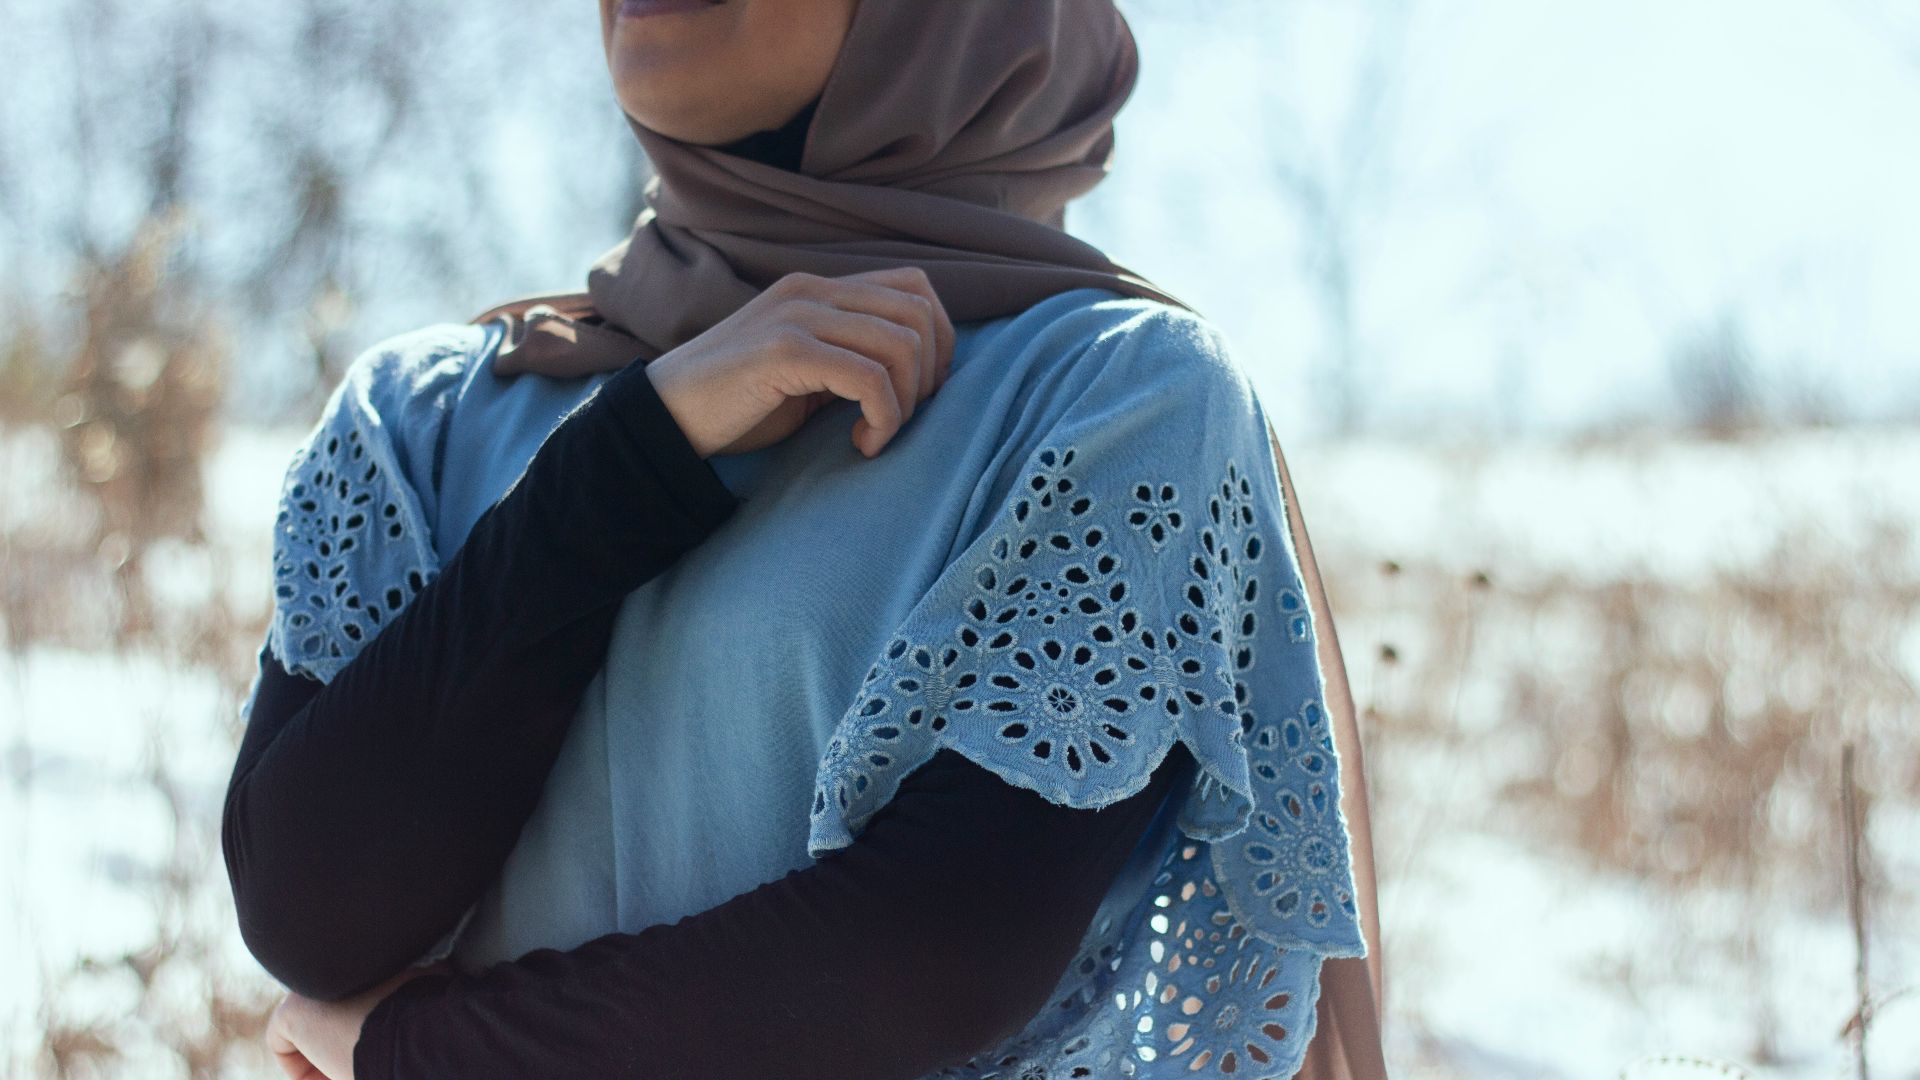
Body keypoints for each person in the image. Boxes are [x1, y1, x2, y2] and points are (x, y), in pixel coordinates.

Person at [220, 1, 1388, 1077]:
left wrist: (419, 1054)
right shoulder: (425, 414)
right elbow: (312, 914)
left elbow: (923, 956)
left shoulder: (1116, 399)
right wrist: (641, 444)